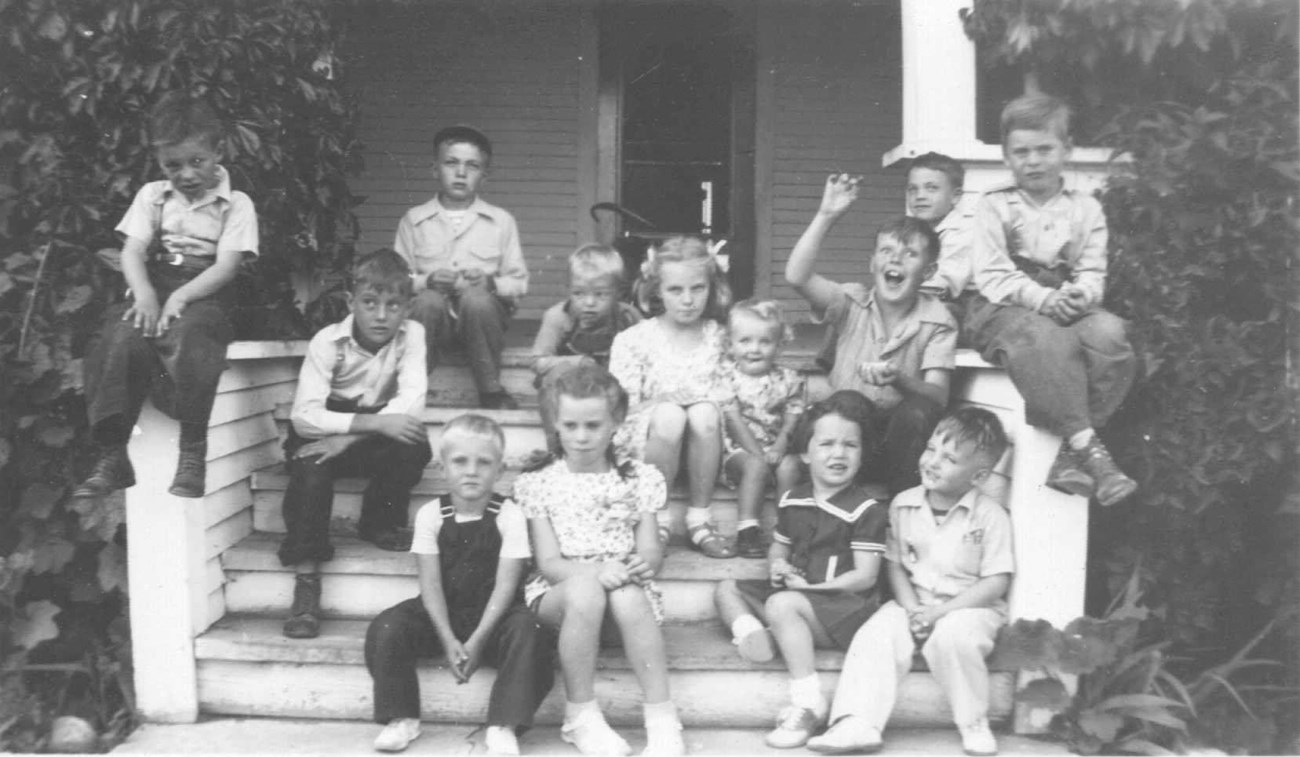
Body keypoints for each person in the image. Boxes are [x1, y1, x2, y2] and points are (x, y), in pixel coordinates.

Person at [74, 91, 258, 500]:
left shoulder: (237, 204)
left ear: (218, 151)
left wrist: (181, 298)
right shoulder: (153, 196)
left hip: (207, 289)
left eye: (197, 162)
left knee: (193, 335)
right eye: (173, 165)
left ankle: (192, 450)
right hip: (156, 283)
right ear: (160, 163)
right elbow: (133, 250)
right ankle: (112, 453)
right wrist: (144, 295)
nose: (186, 175)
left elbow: (227, 266)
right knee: (119, 336)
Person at [807, 407, 1013, 757]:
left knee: (955, 637)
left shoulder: (990, 516)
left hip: (968, 606)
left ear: (978, 476)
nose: (932, 461)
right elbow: (896, 567)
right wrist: (913, 609)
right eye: (931, 449)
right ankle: (858, 721)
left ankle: (973, 720)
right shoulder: (904, 505)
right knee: (876, 633)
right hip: (913, 601)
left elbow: (996, 581)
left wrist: (940, 614)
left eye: (948, 458)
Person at [964, 94, 1137, 507]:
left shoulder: (1085, 208)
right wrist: (1043, 299)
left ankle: (1070, 457)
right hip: (1002, 304)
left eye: (1045, 149)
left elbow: (1093, 270)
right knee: (1047, 341)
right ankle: (1095, 455)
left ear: (1067, 150)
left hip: (1063, 297)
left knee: (1112, 336)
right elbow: (991, 273)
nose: (1033, 161)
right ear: (1007, 156)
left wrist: (1082, 295)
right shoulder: (994, 204)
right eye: (1021, 152)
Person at [517, 364, 686, 756]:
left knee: (627, 594)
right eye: (570, 425)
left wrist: (643, 564)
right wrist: (598, 571)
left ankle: (662, 721)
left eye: (593, 425)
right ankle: (581, 716)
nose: (581, 436)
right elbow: (549, 563)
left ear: (615, 423)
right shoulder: (538, 482)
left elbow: (648, 550)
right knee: (585, 590)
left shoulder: (638, 478)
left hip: (624, 594)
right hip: (561, 595)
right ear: (555, 424)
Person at [364, 414, 554, 755]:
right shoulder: (430, 515)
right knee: (387, 626)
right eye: (460, 461)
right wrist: (448, 638)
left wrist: (478, 640)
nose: (471, 471)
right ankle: (402, 717)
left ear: (499, 470)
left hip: (494, 617)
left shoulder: (509, 515)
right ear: (442, 469)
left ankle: (503, 724)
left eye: (483, 462)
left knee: (531, 629)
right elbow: (431, 585)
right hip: (442, 612)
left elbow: (506, 587)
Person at [714, 390, 890, 750]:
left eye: (850, 445)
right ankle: (755, 635)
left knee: (782, 606)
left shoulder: (866, 509)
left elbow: (865, 577)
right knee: (726, 589)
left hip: (843, 609)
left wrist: (807, 591)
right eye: (826, 444)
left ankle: (808, 701)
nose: (838, 453)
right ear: (806, 454)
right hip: (800, 600)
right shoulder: (793, 497)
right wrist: (777, 565)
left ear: (862, 453)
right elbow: (780, 543)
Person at [279, 249, 432, 639]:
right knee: (311, 475)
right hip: (320, 433)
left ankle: (379, 521)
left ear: (408, 307)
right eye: (370, 303)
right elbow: (304, 417)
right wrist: (346, 434)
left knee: (413, 442)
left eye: (393, 305)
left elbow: (411, 404)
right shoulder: (327, 342)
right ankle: (307, 579)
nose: (381, 316)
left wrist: (348, 439)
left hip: (360, 433)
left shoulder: (412, 335)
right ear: (351, 303)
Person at [785, 176, 957, 495]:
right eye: (887, 251)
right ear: (872, 263)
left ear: (929, 272)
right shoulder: (850, 302)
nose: (895, 259)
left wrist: (899, 379)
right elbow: (797, 276)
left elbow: (938, 396)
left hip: (898, 448)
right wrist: (826, 215)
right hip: (844, 441)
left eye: (910, 254)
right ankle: (836, 504)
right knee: (847, 402)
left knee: (918, 410)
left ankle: (902, 505)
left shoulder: (937, 319)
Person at [609, 236, 734, 558]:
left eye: (698, 289)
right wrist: (663, 399)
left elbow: (736, 394)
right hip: (651, 442)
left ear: (711, 286)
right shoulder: (633, 340)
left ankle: (699, 518)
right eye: (675, 290)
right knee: (670, 415)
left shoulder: (722, 337)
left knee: (704, 412)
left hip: (707, 442)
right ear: (657, 290)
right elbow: (619, 410)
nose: (688, 300)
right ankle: (659, 519)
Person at [393, 125, 528, 410]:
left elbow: (519, 282)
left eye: (472, 165)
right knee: (427, 302)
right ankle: (412, 387)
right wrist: (427, 280)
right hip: (433, 322)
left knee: (477, 299)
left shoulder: (501, 221)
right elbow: (396, 280)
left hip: (482, 322)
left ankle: (490, 390)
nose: (461, 172)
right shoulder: (414, 220)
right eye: (451, 163)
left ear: (484, 176)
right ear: (435, 169)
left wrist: (491, 283)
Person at [530, 243, 642, 452]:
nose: (589, 302)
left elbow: (648, 351)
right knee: (552, 380)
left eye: (600, 295)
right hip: (568, 390)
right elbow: (537, 361)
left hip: (611, 383)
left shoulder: (628, 317)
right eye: (579, 294)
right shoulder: (558, 317)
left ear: (617, 292)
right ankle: (556, 449)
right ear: (569, 290)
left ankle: (617, 447)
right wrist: (577, 362)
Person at [719, 299, 806, 558]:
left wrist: (779, 446)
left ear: (779, 345)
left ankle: (786, 529)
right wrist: (758, 454)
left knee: (790, 466)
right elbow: (733, 420)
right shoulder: (726, 377)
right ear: (730, 344)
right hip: (737, 451)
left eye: (764, 342)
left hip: (775, 449)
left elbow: (793, 417)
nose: (754, 349)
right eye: (744, 341)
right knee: (756, 466)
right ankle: (747, 530)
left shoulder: (789, 379)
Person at [908, 152, 978, 308]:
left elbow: (940, 284)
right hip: (926, 298)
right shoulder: (914, 233)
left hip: (968, 306)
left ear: (955, 196)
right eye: (912, 189)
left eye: (931, 188)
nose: (920, 196)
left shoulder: (965, 233)